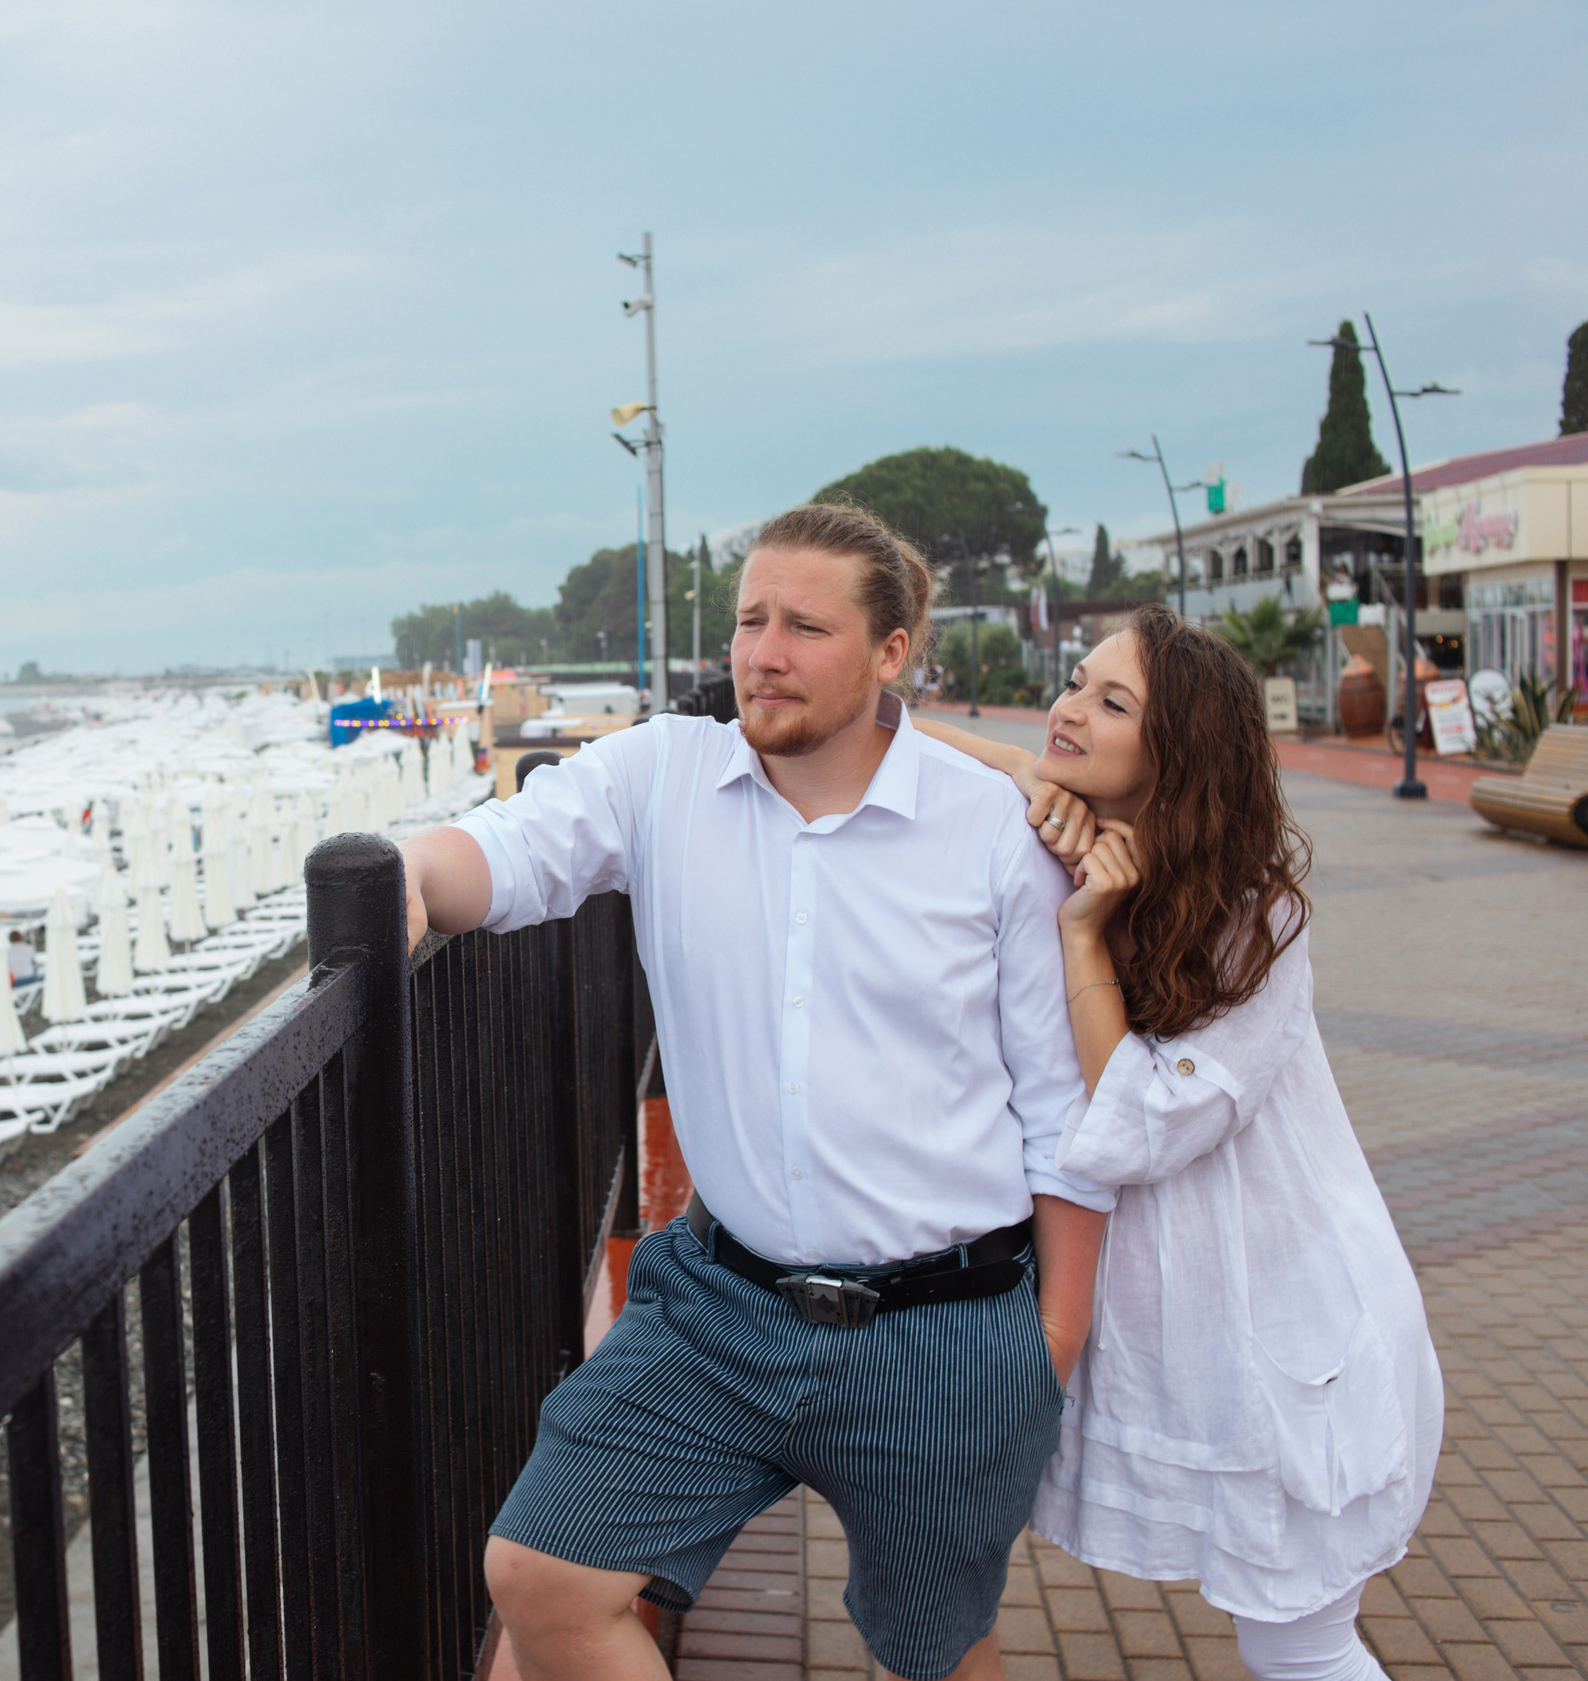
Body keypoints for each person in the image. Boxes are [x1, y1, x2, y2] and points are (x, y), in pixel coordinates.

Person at [399, 503, 1115, 1681]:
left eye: (804, 627)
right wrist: (404, 879)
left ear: (891, 655)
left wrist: (1053, 1337)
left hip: (944, 1329)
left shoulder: (991, 829)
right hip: (719, 1312)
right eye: (748, 620)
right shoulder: (660, 773)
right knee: (542, 1575)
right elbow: (506, 854)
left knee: (938, 1653)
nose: (763, 652)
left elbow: (1062, 1111)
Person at [916, 607, 1440, 1681]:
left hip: (1286, 1303)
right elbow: (934, 737)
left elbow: (1141, 1119)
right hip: (1194, 1316)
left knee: (1302, 1644)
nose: (1070, 708)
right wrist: (1014, 761)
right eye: (1075, 682)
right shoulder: (1075, 830)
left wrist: (1084, 933)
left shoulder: (1255, 917)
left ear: (1178, 751)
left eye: (1113, 703)